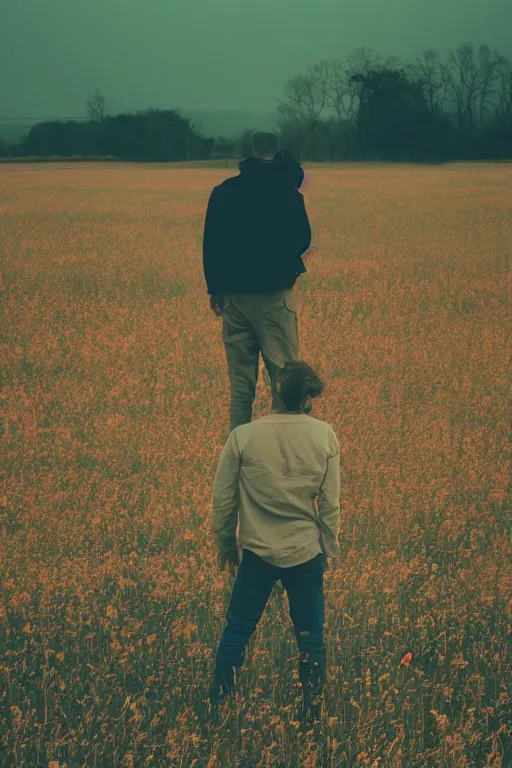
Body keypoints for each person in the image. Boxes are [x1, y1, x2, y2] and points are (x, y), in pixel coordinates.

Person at [209, 361, 342, 725]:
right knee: (310, 637)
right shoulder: (324, 436)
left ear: (273, 393)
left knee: (237, 630)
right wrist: (327, 547)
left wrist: (225, 542)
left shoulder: (244, 436)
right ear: (308, 398)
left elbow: (223, 499)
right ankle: (312, 713)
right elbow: (330, 504)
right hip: (305, 552)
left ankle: (219, 707)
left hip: (257, 553)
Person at [202, 131, 312, 435]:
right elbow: (303, 239)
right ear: (276, 152)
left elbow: (212, 244)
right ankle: (286, 449)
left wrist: (215, 290)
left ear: (250, 151)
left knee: (241, 388)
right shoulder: (287, 193)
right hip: (275, 297)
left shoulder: (223, 192)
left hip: (235, 300)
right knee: (285, 381)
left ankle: (236, 458)